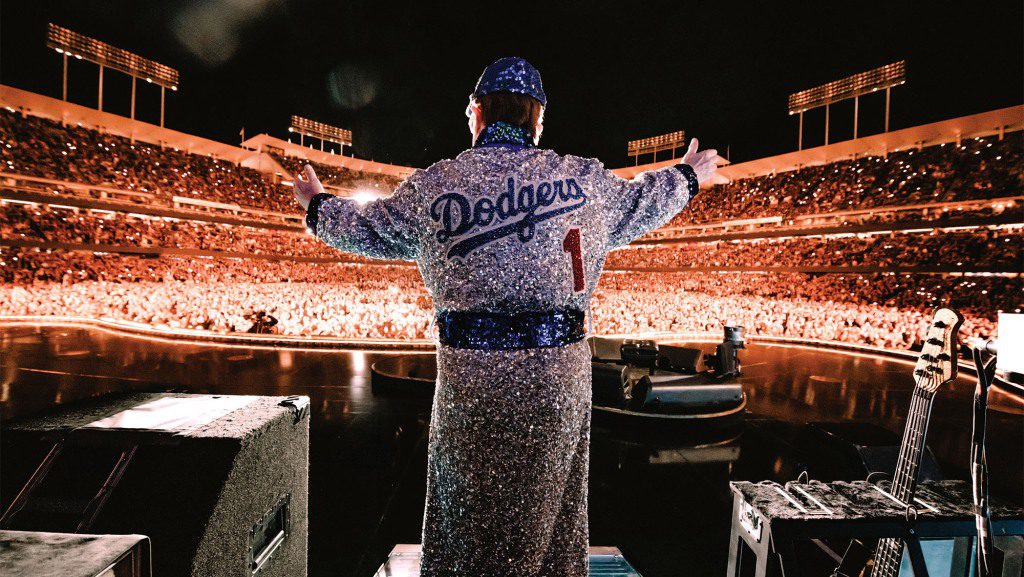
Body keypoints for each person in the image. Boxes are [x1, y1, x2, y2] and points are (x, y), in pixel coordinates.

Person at [293, 56, 721, 577]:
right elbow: (644, 200)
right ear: (538, 119)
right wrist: (687, 177)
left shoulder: (436, 187)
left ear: (476, 113)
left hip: (471, 380)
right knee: (554, 515)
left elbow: (366, 227)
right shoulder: (583, 180)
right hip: (559, 378)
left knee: (467, 515)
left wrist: (318, 205)